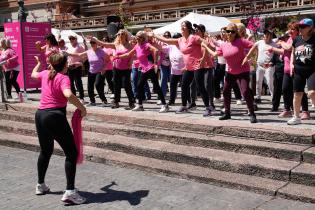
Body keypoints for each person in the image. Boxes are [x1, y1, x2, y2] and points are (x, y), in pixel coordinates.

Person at [31, 53, 86, 205]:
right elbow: (68, 94)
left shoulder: (45, 73)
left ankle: (40, 185)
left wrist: (38, 63)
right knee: (72, 153)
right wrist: (82, 108)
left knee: (45, 150)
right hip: (54, 116)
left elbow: (33, 73)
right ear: (65, 65)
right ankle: (70, 192)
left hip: (40, 115)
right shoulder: (63, 77)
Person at [149, 20, 212, 117]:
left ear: (188, 28)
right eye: (181, 26)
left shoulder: (194, 38)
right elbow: (166, 40)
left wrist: (203, 59)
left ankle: (208, 108)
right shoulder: (180, 40)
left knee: (200, 86)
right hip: (188, 67)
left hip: (198, 66)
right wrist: (154, 35)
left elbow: (206, 44)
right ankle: (184, 106)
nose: (181, 28)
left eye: (183, 26)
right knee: (184, 85)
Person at [205, 23, 257, 123]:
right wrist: (205, 46)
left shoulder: (241, 41)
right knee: (225, 91)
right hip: (230, 72)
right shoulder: (223, 45)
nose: (230, 33)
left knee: (245, 91)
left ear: (236, 33)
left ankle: (252, 113)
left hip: (243, 71)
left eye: (232, 32)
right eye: (228, 31)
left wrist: (248, 57)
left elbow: (254, 46)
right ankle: (227, 113)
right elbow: (215, 54)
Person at [89, 29, 135, 109]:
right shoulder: (116, 44)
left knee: (126, 85)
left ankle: (131, 102)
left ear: (125, 35)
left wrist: (131, 61)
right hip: (116, 68)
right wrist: (95, 39)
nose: (120, 35)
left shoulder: (129, 44)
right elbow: (104, 44)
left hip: (126, 68)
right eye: (118, 34)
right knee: (116, 85)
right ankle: (116, 102)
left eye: (122, 34)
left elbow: (133, 54)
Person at [276, 21, 310, 119]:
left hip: (295, 69)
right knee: (285, 89)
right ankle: (287, 110)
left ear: (298, 31)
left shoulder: (298, 40)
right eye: (289, 29)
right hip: (286, 69)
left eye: (292, 29)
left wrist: (282, 42)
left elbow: (289, 47)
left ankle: (305, 111)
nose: (290, 31)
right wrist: (272, 48)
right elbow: (284, 51)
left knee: (299, 91)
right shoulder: (289, 39)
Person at [287, 18, 315, 125]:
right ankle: (296, 117)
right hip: (298, 70)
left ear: (310, 28)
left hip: (312, 70)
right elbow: (293, 52)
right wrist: (291, 64)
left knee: (312, 93)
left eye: (303, 27)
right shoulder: (297, 39)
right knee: (297, 94)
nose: (301, 28)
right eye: (300, 26)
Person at [67, 40, 108, 106]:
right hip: (91, 71)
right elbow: (79, 55)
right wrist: (68, 54)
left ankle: (103, 100)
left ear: (97, 43)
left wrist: (104, 68)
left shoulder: (101, 52)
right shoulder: (89, 51)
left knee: (98, 85)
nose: (92, 44)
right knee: (90, 86)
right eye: (91, 43)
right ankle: (92, 101)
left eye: (93, 43)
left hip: (100, 71)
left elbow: (108, 60)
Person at [245, 28, 278, 104]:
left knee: (270, 82)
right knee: (258, 81)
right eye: (265, 34)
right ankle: (258, 97)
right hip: (260, 65)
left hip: (269, 66)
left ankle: (273, 98)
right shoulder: (259, 42)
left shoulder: (274, 44)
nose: (266, 36)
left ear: (271, 36)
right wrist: (247, 56)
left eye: (268, 34)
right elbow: (252, 48)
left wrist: (273, 63)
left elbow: (277, 55)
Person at [162, 33, 185, 105]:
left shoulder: (184, 46)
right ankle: (172, 101)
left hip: (184, 70)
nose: (175, 40)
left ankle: (188, 101)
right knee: (172, 86)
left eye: (177, 38)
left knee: (184, 87)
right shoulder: (171, 46)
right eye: (174, 38)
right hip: (174, 71)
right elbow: (160, 48)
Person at [67, 35, 86, 104]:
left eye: (73, 38)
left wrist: (80, 62)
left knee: (78, 82)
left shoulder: (80, 47)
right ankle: (73, 98)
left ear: (76, 39)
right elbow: (68, 57)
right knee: (71, 83)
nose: (71, 40)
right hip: (70, 66)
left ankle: (81, 98)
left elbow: (84, 56)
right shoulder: (69, 47)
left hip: (77, 66)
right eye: (70, 38)